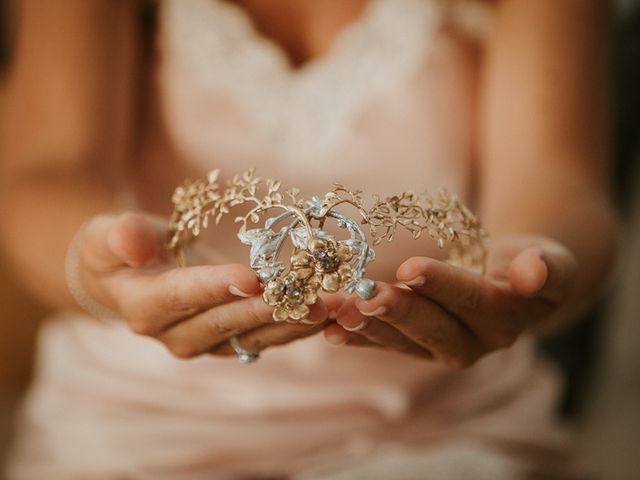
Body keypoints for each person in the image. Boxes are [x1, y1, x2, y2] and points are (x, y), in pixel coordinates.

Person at [0, 0, 618, 478]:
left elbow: (559, 186)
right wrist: (105, 269)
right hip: (134, 422)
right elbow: (47, 175)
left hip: (438, 425)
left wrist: (532, 268)